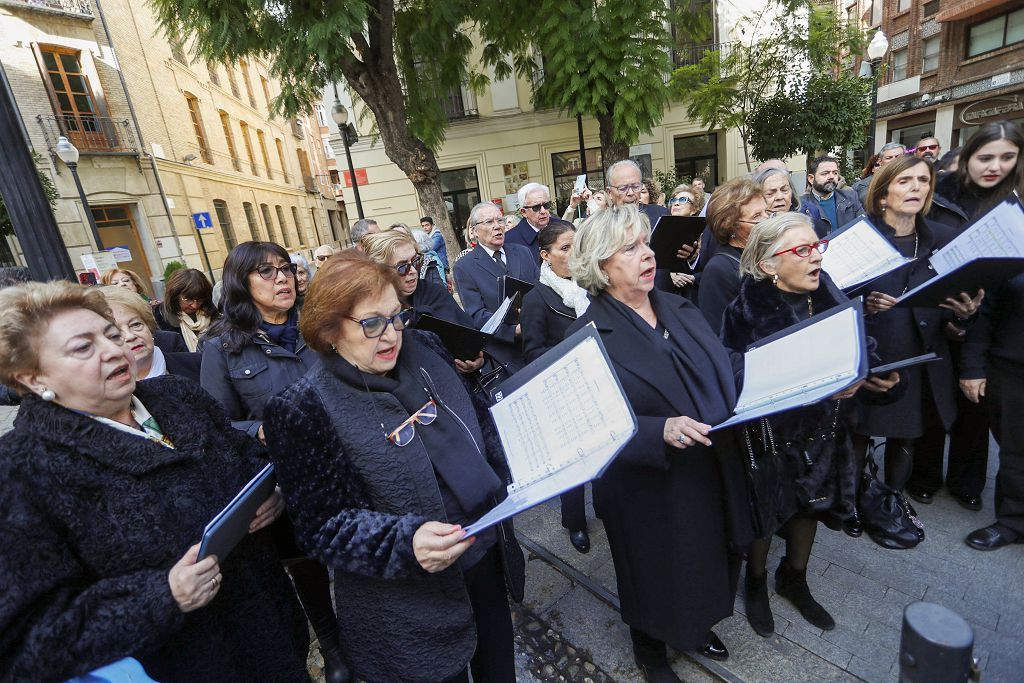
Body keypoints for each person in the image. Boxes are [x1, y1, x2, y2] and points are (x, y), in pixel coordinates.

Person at [0, 281, 309, 682]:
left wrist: (272, 493)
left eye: (111, 335)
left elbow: (246, 456)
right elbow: (27, 639)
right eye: (83, 347)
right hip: (176, 665)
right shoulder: (22, 468)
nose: (114, 350)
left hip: (272, 635)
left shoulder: (175, 396)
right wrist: (163, 597)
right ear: (33, 377)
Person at [263, 252, 524, 682]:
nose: (390, 336)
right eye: (371, 324)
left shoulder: (428, 348)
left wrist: (523, 465)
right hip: (410, 607)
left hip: (484, 558)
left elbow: (477, 422)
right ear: (329, 330)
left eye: (395, 317)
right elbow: (321, 527)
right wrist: (404, 542)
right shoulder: (300, 408)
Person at [566, 205, 750, 680]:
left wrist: (771, 372)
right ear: (601, 266)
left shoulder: (678, 306)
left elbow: (724, 359)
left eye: (646, 244)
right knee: (653, 569)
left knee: (707, 554)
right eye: (630, 248)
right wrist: (657, 430)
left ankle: (695, 625)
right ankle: (649, 650)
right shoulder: (585, 336)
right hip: (646, 483)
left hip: (707, 463)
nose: (648, 255)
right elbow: (586, 425)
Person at [721, 213, 899, 637]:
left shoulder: (831, 295)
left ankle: (794, 578)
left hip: (827, 435)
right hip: (772, 440)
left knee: (812, 508)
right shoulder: (745, 310)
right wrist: (803, 382)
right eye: (802, 250)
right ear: (768, 265)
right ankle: (758, 581)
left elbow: (863, 351)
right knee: (767, 515)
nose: (816, 256)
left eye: (818, 246)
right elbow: (732, 375)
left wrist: (875, 378)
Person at [199, 241, 351, 683]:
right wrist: (263, 428)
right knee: (307, 565)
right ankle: (333, 643)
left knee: (358, 550)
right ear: (240, 284)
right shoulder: (223, 345)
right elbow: (216, 422)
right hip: (284, 476)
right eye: (266, 273)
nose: (282, 278)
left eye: (285, 268)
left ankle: (369, 630)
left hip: (344, 458)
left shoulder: (320, 322)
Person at [855, 155, 982, 501]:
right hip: (871, 352)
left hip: (920, 356)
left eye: (923, 181)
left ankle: (891, 502)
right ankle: (851, 507)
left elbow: (954, 314)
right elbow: (828, 300)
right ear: (883, 194)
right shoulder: (857, 238)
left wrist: (963, 316)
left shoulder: (944, 238)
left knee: (906, 435)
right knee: (857, 435)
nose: (916, 187)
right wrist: (862, 306)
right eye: (905, 181)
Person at [912, 121, 1024, 510]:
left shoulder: (1015, 202)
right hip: (935, 312)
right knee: (931, 401)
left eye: (1007, 157)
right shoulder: (935, 194)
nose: (995, 166)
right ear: (968, 157)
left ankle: (966, 482)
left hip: (990, 319)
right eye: (986, 157)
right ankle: (923, 476)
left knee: (974, 408)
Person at [520, 222, 593, 554]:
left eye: (576, 246)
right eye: (565, 248)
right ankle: (575, 521)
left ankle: (607, 504)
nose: (573, 254)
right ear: (545, 255)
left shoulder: (591, 284)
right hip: (564, 389)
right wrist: (571, 350)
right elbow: (532, 353)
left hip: (598, 379)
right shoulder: (537, 298)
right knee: (574, 459)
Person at [361, 230, 485, 374]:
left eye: (416, 262)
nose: (413, 270)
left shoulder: (434, 292)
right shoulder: (368, 309)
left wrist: (479, 360)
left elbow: (471, 337)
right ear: (379, 271)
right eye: (403, 267)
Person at [961, 270, 1024, 549]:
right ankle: (1012, 522)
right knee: (1015, 451)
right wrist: (972, 368)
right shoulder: (1014, 250)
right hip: (1011, 370)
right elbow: (985, 315)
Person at [452, 201, 540, 371]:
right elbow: (477, 315)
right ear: (474, 230)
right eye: (489, 222)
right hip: (505, 354)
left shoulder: (522, 252)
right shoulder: (464, 266)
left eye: (500, 220)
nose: (497, 226)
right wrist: (513, 331)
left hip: (539, 340)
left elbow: (541, 288)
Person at [697, 178, 770, 332]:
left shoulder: (766, 254)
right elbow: (720, 334)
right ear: (730, 225)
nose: (767, 220)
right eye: (756, 216)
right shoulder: (718, 270)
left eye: (767, 212)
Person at [101, 286, 201, 381]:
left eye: (135, 324)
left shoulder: (198, 363)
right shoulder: (103, 392)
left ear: (148, 326)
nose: (130, 336)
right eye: (116, 333)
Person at [799, 155, 864, 236]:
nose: (831, 177)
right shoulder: (801, 205)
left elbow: (863, 226)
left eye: (835, 173)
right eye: (825, 173)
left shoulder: (850, 197)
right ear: (811, 179)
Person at [507, 182, 571, 262]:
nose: (543, 211)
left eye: (546, 205)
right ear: (523, 212)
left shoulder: (565, 228)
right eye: (536, 207)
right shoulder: (510, 240)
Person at [161, 268, 218, 352]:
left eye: (200, 299)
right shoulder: (162, 321)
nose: (194, 306)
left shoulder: (214, 314)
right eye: (189, 299)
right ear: (175, 296)